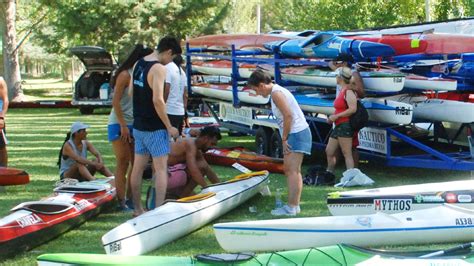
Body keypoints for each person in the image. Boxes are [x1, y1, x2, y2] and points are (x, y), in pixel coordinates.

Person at [247, 70, 312, 216]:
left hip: (296, 133)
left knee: (292, 171)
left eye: (256, 89)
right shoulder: (276, 92)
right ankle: (293, 206)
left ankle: (292, 207)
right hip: (296, 133)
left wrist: (284, 138)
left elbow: (288, 115)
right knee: (290, 170)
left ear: (262, 85)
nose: (257, 93)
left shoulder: (276, 93)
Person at [129, 36, 182, 217]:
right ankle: (158, 211)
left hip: (138, 125)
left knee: (137, 168)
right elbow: (158, 100)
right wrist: (169, 126)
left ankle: (137, 208)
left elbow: (131, 92)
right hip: (155, 126)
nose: (170, 62)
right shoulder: (159, 68)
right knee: (160, 169)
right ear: (168, 51)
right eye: (172, 58)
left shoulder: (138, 64)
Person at [108, 44, 153, 210]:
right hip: (119, 123)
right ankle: (120, 201)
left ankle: (131, 199)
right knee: (123, 162)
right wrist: (122, 125)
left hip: (136, 123)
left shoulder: (141, 75)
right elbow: (115, 102)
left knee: (137, 163)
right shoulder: (125, 75)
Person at [329, 53, 365, 167]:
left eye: (338, 63)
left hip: (348, 118)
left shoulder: (353, 74)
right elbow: (330, 64)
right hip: (340, 116)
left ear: (344, 63)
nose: (335, 65)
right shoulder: (341, 73)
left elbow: (362, 93)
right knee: (333, 149)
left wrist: (350, 87)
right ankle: (333, 170)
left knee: (351, 147)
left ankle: (354, 170)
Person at [167, 126, 221, 197]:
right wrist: (207, 189)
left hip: (173, 174)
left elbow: (207, 168)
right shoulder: (190, 144)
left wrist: (220, 186)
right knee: (199, 169)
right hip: (164, 177)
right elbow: (194, 171)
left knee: (202, 166)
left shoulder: (196, 147)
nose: (212, 147)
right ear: (206, 138)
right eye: (212, 144)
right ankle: (181, 196)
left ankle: (182, 195)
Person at [326, 67, 358, 175]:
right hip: (338, 124)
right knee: (329, 150)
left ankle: (350, 176)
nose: (335, 78)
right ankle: (329, 172)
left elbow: (352, 109)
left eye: (336, 76)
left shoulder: (348, 91)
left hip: (345, 124)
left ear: (340, 78)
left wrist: (336, 116)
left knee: (346, 152)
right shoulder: (342, 90)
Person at [164, 54, 188, 136]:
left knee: (166, 139)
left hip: (169, 109)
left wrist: (162, 103)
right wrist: (184, 109)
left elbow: (167, 88)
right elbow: (185, 94)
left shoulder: (168, 68)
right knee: (177, 139)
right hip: (180, 111)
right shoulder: (182, 73)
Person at [0, 77, 9, 167]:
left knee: (1, 147)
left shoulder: (0, 80)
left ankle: (3, 170)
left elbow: (5, 100)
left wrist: (1, 117)